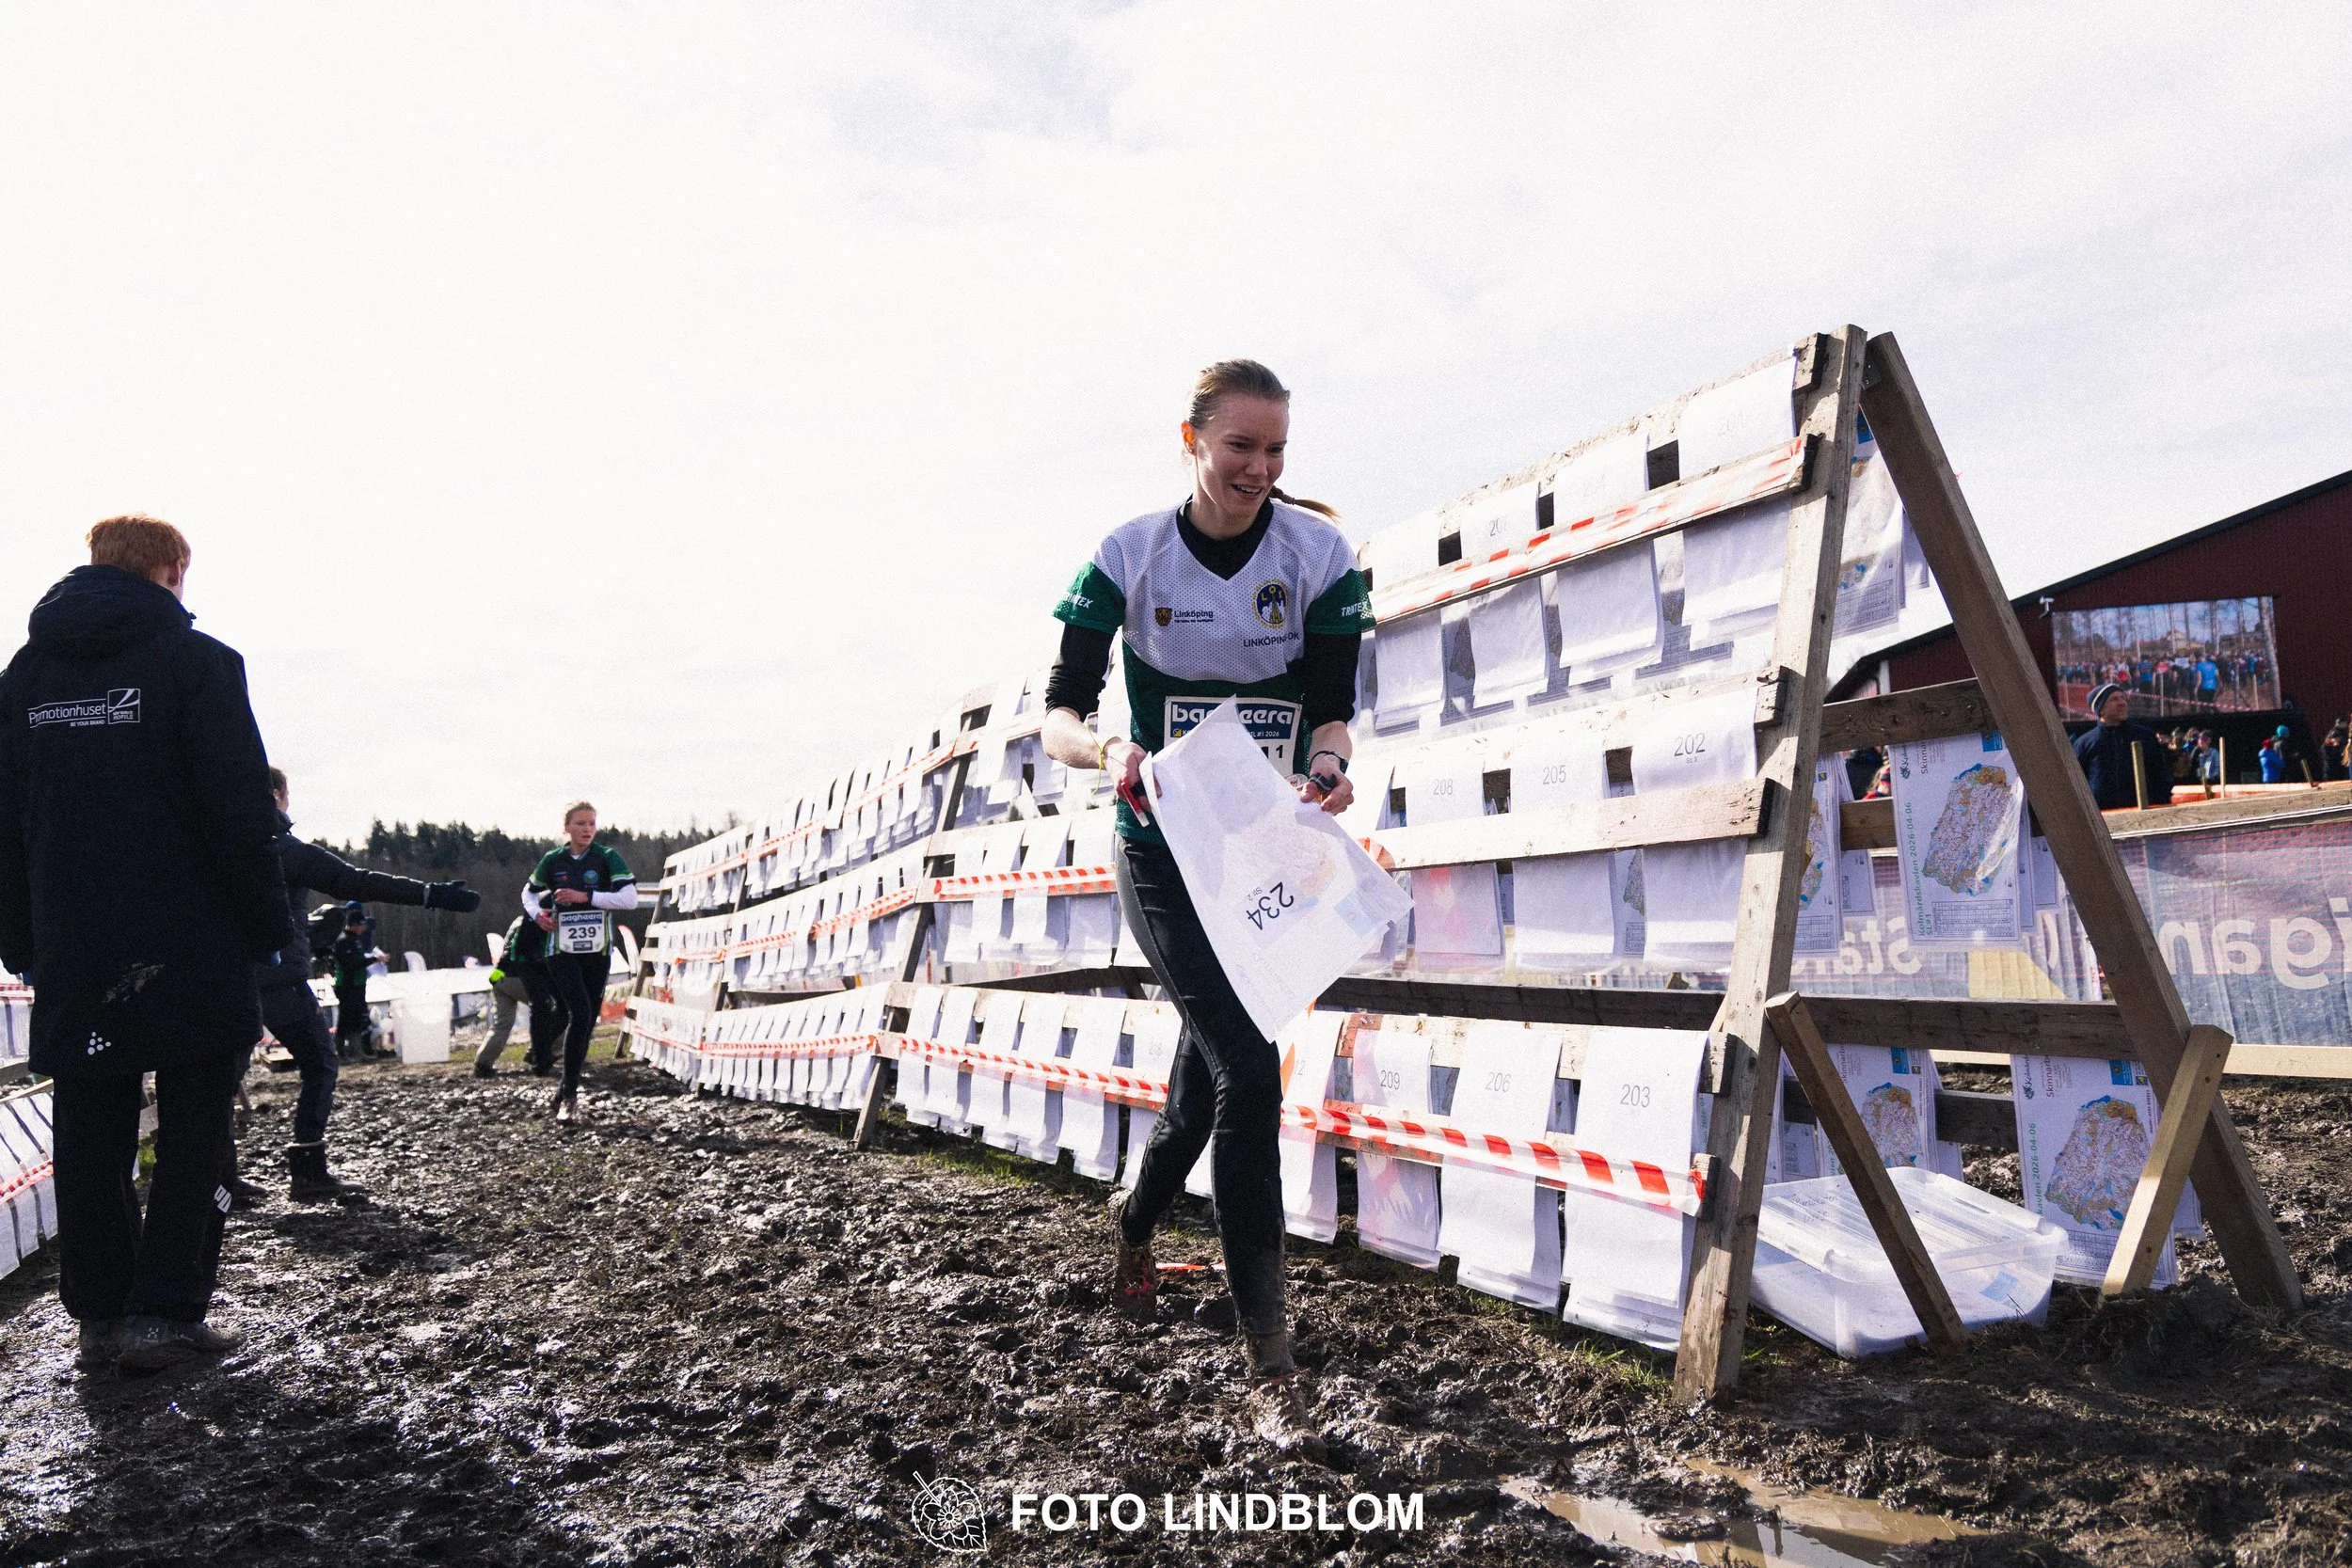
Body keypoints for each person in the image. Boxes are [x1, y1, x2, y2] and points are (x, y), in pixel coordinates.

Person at [1038, 358, 1369, 1449]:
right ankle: (1270, 1354)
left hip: (1259, 852)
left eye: (1277, 453)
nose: (1261, 471)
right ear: (1190, 439)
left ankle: (1134, 1225)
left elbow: (1331, 716)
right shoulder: (1126, 554)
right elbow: (1057, 713)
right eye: (1241, 449)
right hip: (1159, 845)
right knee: (1245, 1068)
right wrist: (1113, 749)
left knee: (1203, 1087)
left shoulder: (1317, 557)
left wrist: (1326, 769)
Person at [0, 515, 294, 1373]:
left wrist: (20, 939)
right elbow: (239, 811)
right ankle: (163, 1315)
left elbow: (3, 826)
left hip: (74, 942)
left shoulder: (22, 678)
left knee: (89, 1127)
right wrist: (266, 925)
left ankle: (97, 1320)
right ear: (172, 571)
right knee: (194, 1124)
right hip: (188, 938)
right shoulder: (201, 665)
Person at [257, 767, 479, 1199]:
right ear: (279, 795)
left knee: (221, 1079)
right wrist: (430, 895)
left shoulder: (212, 846)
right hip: (279, 977)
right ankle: (306, 1166)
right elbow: (356, 881)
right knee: (319, 1064)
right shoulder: (284, 849)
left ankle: (220, 1175)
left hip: (225, 979)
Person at [523, 801, 637, 1124]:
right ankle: (570, 1099)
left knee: (586, 1022)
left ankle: (562, 1091)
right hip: (560, 949)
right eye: (581, 823)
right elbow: (528, 894)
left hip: (597, 951)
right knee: (581, 1012)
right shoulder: (553, 860)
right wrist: (539, 915)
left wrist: (586, 897)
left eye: (592, 823)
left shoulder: (607, 857)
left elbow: (629, 899)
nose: (587, 829)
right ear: (567, 827)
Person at [471, 912, 563, 1079]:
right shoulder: (540, 923)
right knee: (556, 1011)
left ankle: (482, 1064)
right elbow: (532, 955)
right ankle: (539, 1053)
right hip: (521, 976)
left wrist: (498, 972)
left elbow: (507, 949)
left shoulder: (518, 921)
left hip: (500, 975)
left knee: (501, 1024)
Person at [2073, 681, 2172, 810]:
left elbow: (2161, 776)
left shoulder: (2145, 736)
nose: (2122, 703)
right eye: (2114, 699)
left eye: (2122, 698)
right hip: (2103, 818)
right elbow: (2077, 784)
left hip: (2144, 814)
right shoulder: (2084, 743)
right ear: (2101, 709)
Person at [328, 905, 382, 1061]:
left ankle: (357, 1051)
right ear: (354, 925)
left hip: (357, 984)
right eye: (361, 925)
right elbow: (351, 963)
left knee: (356, 1019)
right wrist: (373, 959)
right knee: (346, 1019)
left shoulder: (355, 940)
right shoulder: (343, 941)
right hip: (346, 985)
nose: (363, 928)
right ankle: (342, 1053)